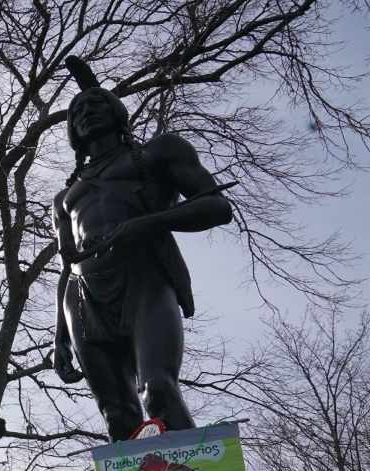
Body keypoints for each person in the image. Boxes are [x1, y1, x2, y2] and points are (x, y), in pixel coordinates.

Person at [51, 57, 234, 440]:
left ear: (118, 113)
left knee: (158, 390)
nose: (86, 113)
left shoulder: (157, 153)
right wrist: (59, 336)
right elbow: (67, 264)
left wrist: (144, 224)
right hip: (83, 297)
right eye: (78, 111)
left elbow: (216, 206)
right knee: (116, 414)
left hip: (144, 276)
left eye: (97, 104)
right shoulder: (64, 196)